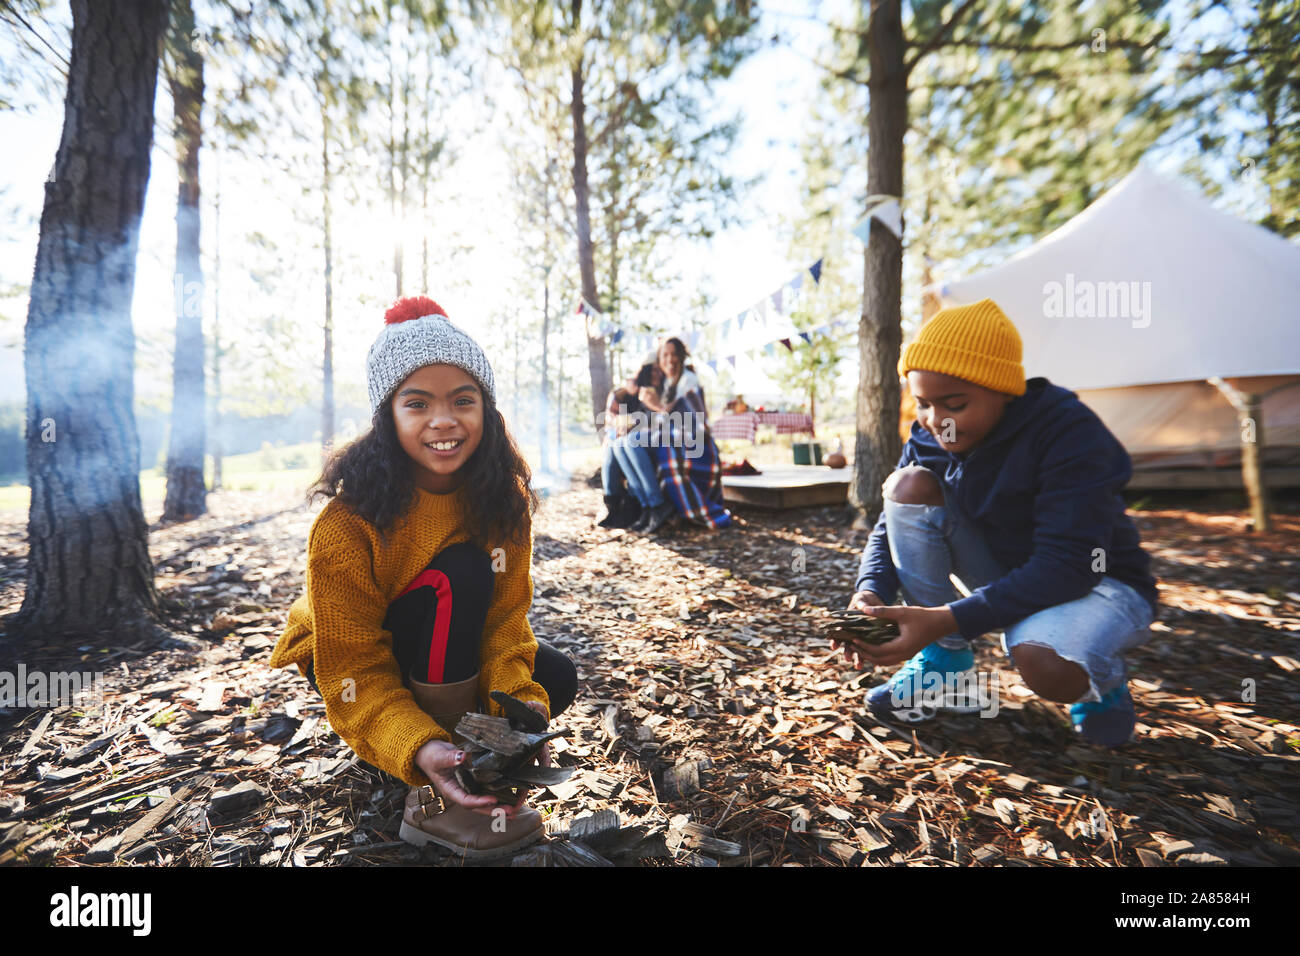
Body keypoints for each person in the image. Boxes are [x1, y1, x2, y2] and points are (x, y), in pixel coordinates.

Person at [269, 295, 578, 859]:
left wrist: (521, 714)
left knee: (551, 680)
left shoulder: (501, 502)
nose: (444, 420)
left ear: (487, 409)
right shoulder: (348, 521)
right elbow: (352, 662)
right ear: (388, 416)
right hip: (345, 658)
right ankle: (434, 795)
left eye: (464, 400)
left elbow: (506, 622)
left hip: (445, 637)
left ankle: (460, 760)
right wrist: (418, 741)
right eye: (417, 403)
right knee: (457, 573)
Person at [834, 298, 1158, 748]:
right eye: (923, 404)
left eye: (955, 404)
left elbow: (1071, 564)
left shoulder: (1067, 431)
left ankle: (1101, 684)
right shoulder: (930, 436)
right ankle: (943, 662)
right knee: (907, 485)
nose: (937, 422)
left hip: (1100, 583)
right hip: (1009, 575)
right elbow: (893, 524)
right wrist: (870, 591)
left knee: (1042, 663)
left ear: (1004, 389)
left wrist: (947, 617)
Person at [637, 336, 732, 531]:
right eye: (665, 355)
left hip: (694, 439)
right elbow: (662, 418)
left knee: (642, 444)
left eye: (673, 355)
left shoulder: (689, 380)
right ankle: (645, 506)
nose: (669, 360)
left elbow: (687, 419)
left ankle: (661, 507)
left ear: (681, 357)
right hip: (673, 434)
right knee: (625, 444)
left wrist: (656, 407)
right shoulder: (665, 383)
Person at [596, 357, 664, 529]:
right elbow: (611, 420)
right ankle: (615, 506)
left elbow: (657, 418)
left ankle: (645, 505)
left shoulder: (658, 392)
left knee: (625, 443)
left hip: (652, 438)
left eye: (659, 370)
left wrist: (635, 422)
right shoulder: (627, 394)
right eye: (653, 370)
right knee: (614, 444)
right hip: (630, 437)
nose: (657, 373)